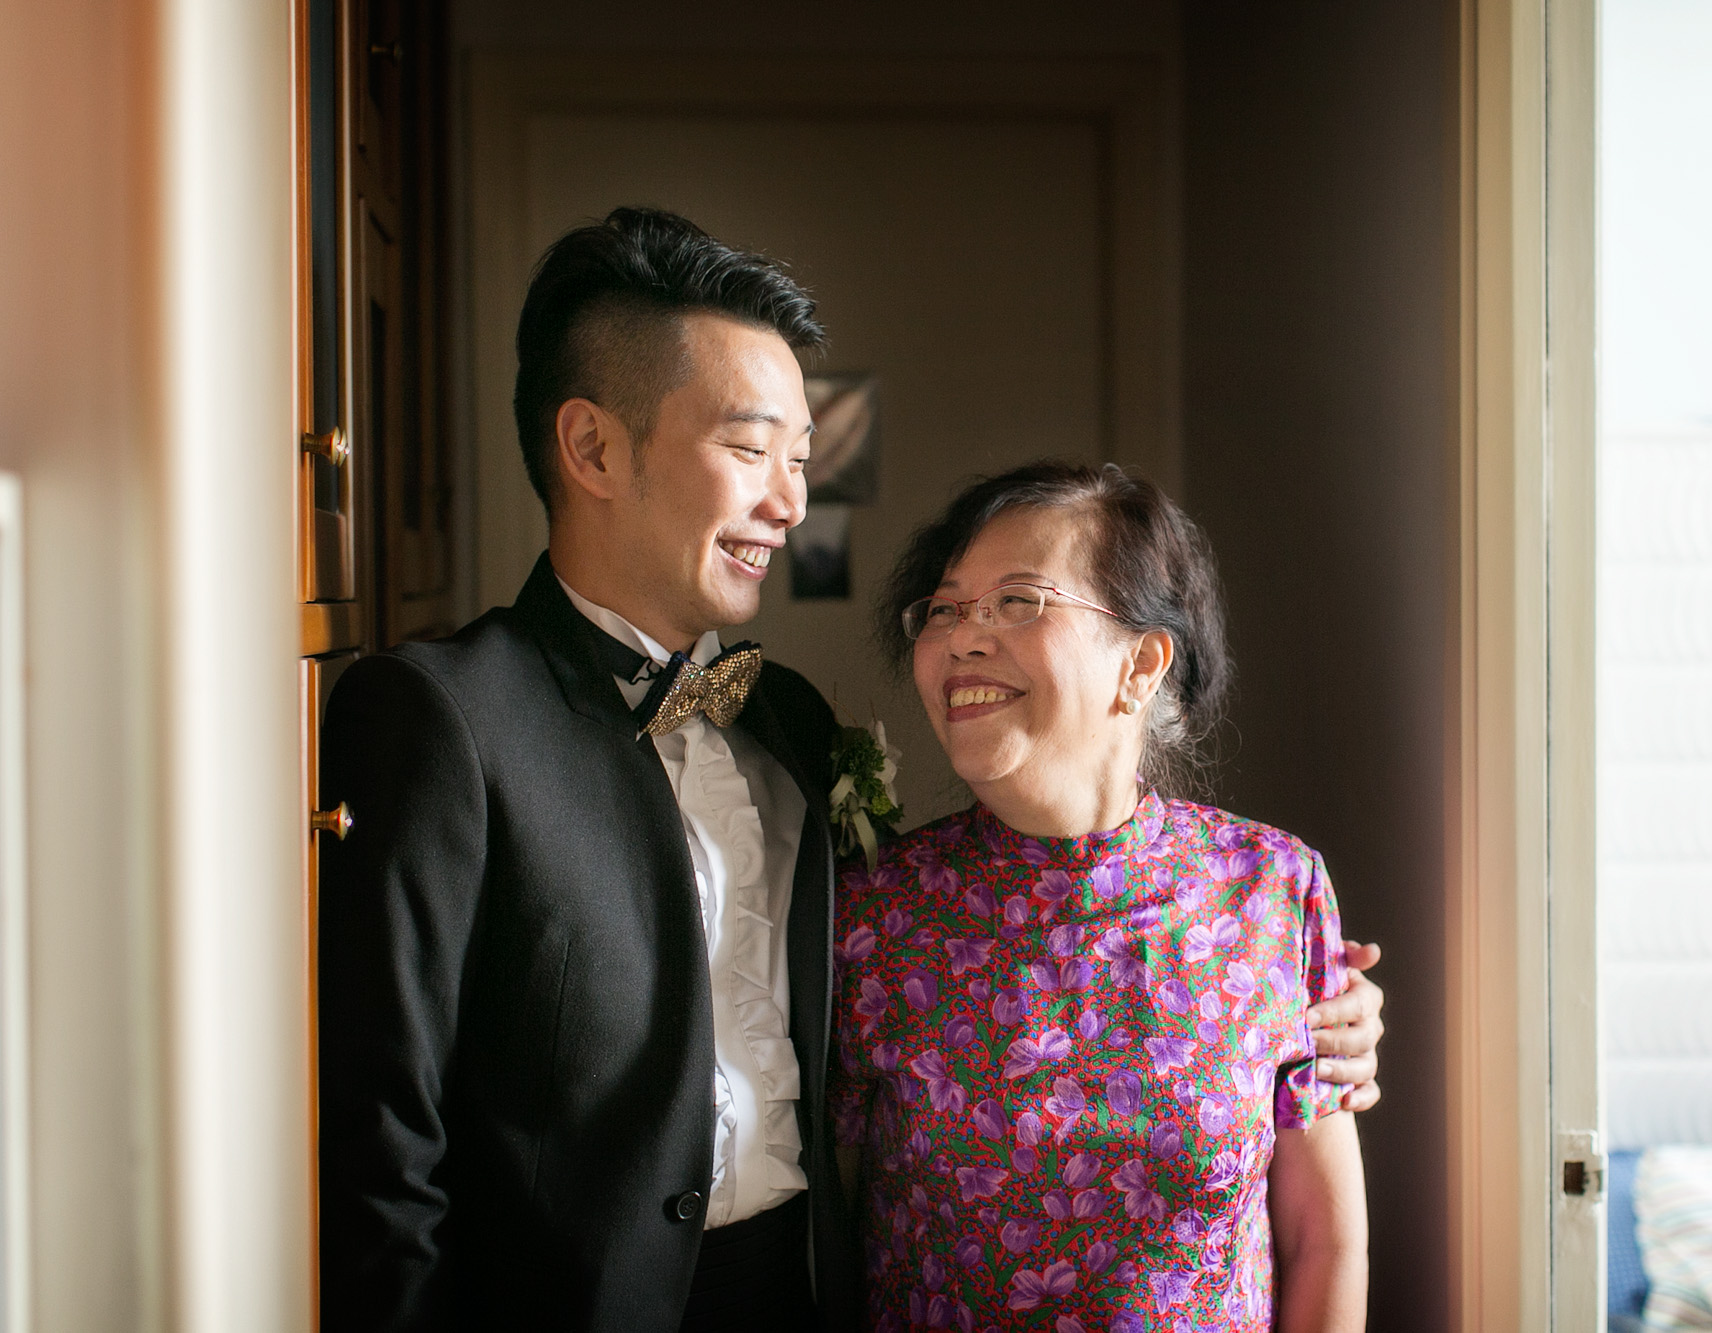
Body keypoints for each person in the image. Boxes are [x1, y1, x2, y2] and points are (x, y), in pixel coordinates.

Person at [317, 208, 1385, 1332]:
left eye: (799, 461)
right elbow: (384, 1150)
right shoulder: (442, 718)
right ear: (592, 449)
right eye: (750, 451)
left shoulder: (784, 720)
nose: (790, 503)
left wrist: (1312, 1013)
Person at [831, 463, 1368, 1332]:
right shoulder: (873, 916)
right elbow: (824, 1244)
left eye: (1018, 600)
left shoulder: (1272, 889)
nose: (963, 637)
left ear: (1141, 663)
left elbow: (1323, 1239)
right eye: (945, 608)